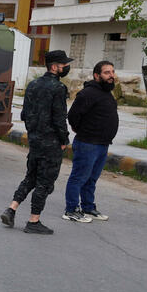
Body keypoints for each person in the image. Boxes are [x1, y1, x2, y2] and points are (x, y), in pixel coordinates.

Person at [1, 49, 73, 234]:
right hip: (51, 143)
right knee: (45, 182)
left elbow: (25, 114)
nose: (67, 67)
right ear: (55, 67)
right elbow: (59, 118)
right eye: (64, 65)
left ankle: (12, 208)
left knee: (31, 177)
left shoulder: (32, 85)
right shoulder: (58, 88)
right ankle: (34, 221)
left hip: (34, 140)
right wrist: (64, 140)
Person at [64, 61, 118, 222]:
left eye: (112, 72)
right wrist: (80, 129)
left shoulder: (106, 93)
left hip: (102, 144)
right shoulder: (87, 93)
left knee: (91, 178)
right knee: (79, 177)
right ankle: (71, 210)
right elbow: (73, 116)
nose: (111, 76)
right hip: (87, 143)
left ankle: (88, 207)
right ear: (97, 75)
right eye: (107, 73)